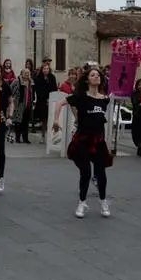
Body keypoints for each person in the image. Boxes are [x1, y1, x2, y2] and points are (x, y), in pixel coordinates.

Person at [52, 66, 111, 218]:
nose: (96, 77)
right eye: (93, 75)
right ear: (87, 79)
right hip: (83, 139)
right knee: (85, 172)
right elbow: (59, 103)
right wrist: (56, 121)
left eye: (98, 75)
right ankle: (82, 202)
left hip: (98, 141)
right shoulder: (80, 96)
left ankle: (103, 201)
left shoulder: (105, 99)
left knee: (100, 173)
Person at [0, 62, 14, 193]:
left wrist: (10, 116)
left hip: (0, 119)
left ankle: (1, 177)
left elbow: (11, 102)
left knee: (0, 150)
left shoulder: (5, 86)